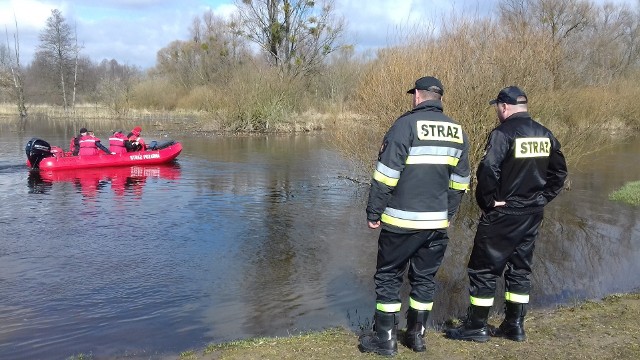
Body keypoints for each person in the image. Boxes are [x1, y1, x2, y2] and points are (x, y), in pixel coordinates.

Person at [445, 86, 568, 343]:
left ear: (504, 107)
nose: (497, 112)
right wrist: (542, 198)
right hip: (532, 213)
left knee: (484, 270)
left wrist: (488, 201)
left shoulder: (503, 133)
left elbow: (488, 168)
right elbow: (559, 173)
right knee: (520, 269)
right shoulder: (545, 134)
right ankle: (515, 326)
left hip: (504, 213)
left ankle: (476, 327)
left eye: (497, 108)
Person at [359, 76, 470, 356]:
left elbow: (385, 176)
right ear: (439, 98)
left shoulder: (405, 125)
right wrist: (448, 214)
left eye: (413, 95)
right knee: (424, 279)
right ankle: (416, 337)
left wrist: (374, 212)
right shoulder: (458, 131)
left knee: (388, 277)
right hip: (436, 224)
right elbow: (460, 182)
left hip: (400, 222)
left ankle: (385, 340)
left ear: (418, 96)